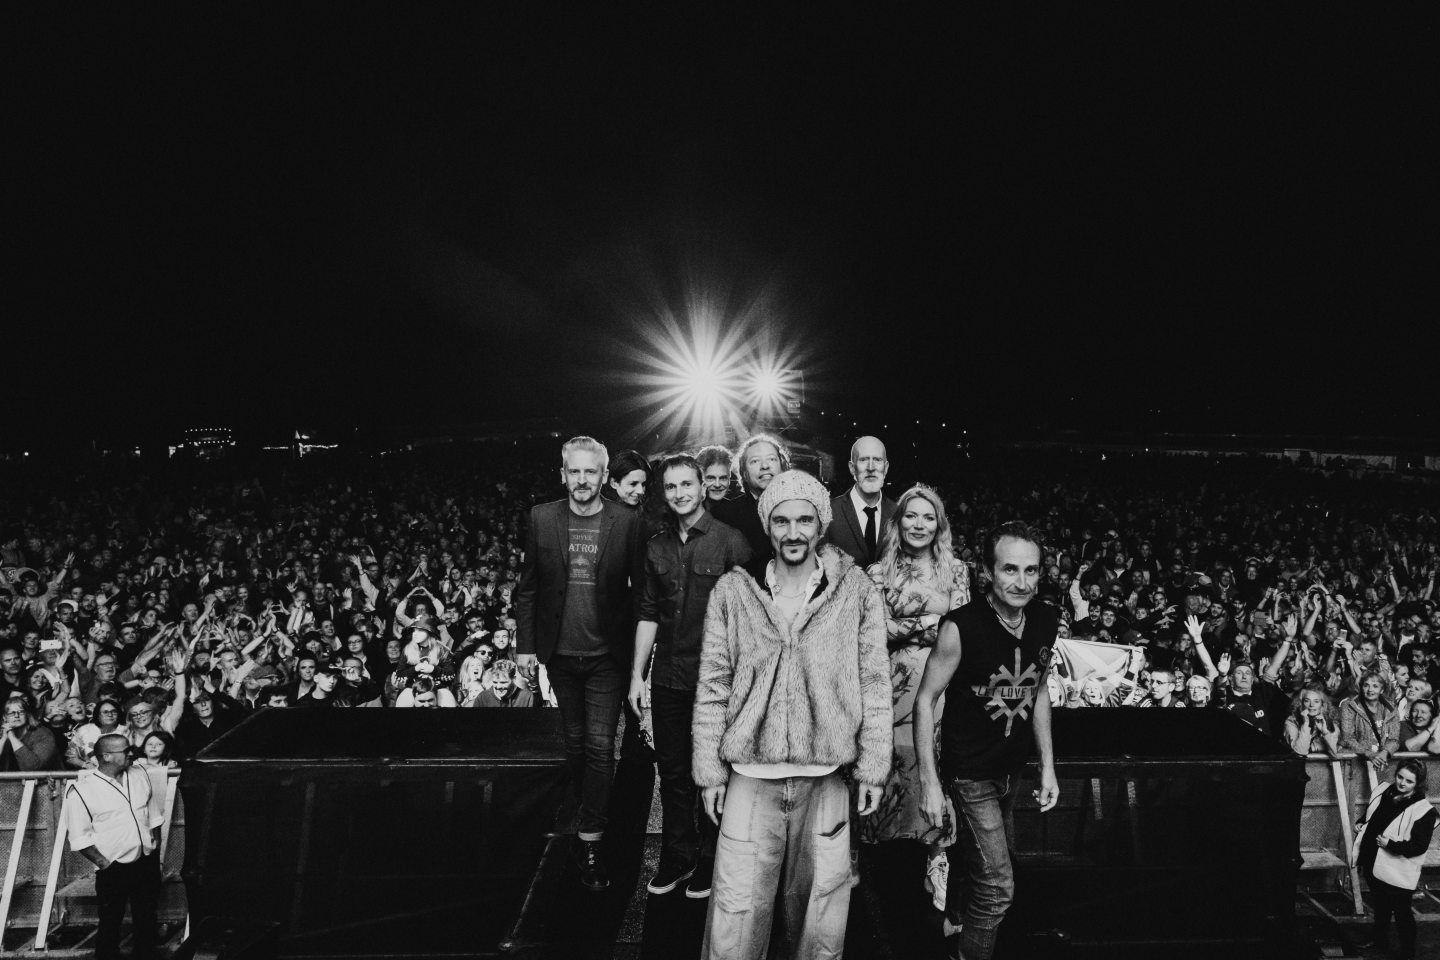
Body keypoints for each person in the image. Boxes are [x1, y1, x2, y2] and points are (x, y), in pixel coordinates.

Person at [692, 469, 891, 959]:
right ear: (768, 524)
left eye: (805, 519)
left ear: (821, 523)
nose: (794, 532)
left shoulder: (855, 591)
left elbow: (874, 682)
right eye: (782, 521)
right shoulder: (734, 592)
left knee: (822, 915)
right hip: (749, 777)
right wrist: (710, 771)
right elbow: (713, 684)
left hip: (825, 777)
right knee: (735, 912)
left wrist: (872, 765)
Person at [914, 520, 1060, 960]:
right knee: (998, 886)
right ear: (988, 573)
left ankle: (953, 916)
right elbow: (925, 701)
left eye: (1030, 571)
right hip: (969, 772)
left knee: (977, 861)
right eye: (1010, 570)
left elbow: (1038, 690)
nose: (1021, 582)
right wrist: (929, 783)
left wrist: (1048, 766)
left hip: (1010, 770)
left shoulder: (1045, 619)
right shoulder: (961, 627)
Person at [514, 436, 644, 891]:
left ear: (604, 476)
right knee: (575, 746)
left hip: (607, 655)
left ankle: (590, 837)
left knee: (599, 746)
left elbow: (641, 591)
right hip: (559, 654)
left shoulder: (627, 520)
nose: (583, 480)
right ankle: (583, 808)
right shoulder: (541, 517)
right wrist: (525, 646)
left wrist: (638, 660)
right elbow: (528, 586)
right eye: (575, 471)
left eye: (592, 472)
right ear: (563, 473)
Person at [628, 454, 750, 898]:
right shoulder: (657, 546)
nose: (680, 493)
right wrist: (637, 675)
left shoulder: (731, 542)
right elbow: (647, 614)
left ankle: (714, 862)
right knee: (673, 772)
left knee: (714, 775)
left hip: (718, 682)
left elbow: (750, 619)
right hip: (668, 679)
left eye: (687, 485)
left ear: (703, 487)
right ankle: (679, 857)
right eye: (671, 487)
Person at [857, 484, 970, 910]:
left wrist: (907, 622)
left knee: (932, 767)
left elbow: (958, 630)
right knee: (890, 768)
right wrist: (931, 619)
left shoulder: (956, 571)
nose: (919, 525)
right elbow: (873, 631)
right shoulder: (876, 572)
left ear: (938, 524)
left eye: (928, 517)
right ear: (898, 521)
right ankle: (883, 871)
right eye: (911, 516)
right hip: (888, 687)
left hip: (940, 686)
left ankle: (936, 857)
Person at [61, 732, 166, 960]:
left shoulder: (141, 775)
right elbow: (80, 838)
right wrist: (105, 864)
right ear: (106, 756)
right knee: (110, 924)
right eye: (125, 751)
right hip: (113, 868)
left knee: (147, 921)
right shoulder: (82, 791)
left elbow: (154, 817)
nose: (132, 754)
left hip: (145, 862)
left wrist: (153, 849)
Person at [1352, 759, 1436, 959]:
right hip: (1373, 861)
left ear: (1418, 783)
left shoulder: (1424, 810)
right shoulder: (1385, 792)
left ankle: (1408, 953)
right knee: (1380, 907)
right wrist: (1360, 823)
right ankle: (1379, 942)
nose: (1402, 783)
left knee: (1402, 913)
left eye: (1409, 781)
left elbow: (1418, 847)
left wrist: (1390, 845)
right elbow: (1371, 816)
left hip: (1397, 868)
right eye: (1400, 777)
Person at [710, 433, 790, 562]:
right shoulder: (723, 515)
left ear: (783, 467)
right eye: (755, 461)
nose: (765, 466)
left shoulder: (803, 508)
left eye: (771, 459)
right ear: (744, 473)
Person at [828, 436, 897, 570]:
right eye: (863, 460)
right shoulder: (829, 512)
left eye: (877, 460)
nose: (871, 467)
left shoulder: (897, 513)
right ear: (852, 468)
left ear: (886, 467)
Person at [1339, 669, 1400, 771]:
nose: (1370, 690)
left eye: (1375, 686)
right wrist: (1368, 754)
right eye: (1366, 685)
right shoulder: (1349, 706)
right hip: (1355, 764)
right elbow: (1347, 738)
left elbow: (1394, 739)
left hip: (1380, 762)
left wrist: (1385, 753)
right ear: (1361, 687)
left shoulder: (1391, 708)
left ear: (1382, 690)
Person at [1, 696, 61, 771]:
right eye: (12, 713)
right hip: (11, 781)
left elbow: (31, 767)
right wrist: (3, 739)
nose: (16, 716)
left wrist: (12, 737)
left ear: (27, 715)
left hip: (48, 781)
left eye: (21, 712)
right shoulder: (2, 734)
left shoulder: (43, 733)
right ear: (4, 717)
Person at [1283, 685, 1341, 756]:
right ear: (1301, 704)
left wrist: (1324, 731)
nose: (1311, 705)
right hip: (1299, 765)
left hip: (1324, 765)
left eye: (1316, 701)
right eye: (1307, 701)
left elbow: (1334, 752)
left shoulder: (1330, 720)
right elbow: (1301, 752)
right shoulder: (1291, 721)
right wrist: (1306, 724)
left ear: (1322, 705)